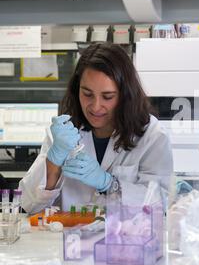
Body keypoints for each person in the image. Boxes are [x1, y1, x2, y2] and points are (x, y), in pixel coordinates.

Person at [20, 43, 173, 214]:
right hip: (69, 237)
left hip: (124, 238)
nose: (95, 106)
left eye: (107, 97)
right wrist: (53, 163)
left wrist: (109, 184)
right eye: (87, 94)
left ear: (125, 94)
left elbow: (159, 204)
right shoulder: (64, 132)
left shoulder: (152, 135)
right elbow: (27, 203)